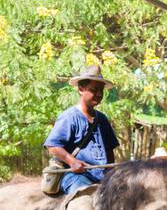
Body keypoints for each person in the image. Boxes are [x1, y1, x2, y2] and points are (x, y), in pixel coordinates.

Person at [43, 64, 119, 196]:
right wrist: (72, 161)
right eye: (94, 89)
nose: (99, 94)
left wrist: (110, 172)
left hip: (101, 177)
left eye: (101, 90)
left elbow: (109, 150)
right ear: (81, 89)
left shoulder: (102, 119)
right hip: (74, 176)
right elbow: (52, 146)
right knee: (84, 202)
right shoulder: (69, 117)